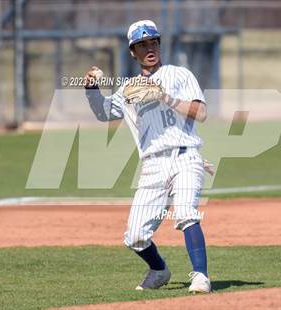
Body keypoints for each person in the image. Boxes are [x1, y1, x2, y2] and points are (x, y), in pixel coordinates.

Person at [84, 20, 211, 293]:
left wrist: (166, 97)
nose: (149, 48)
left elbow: (200, 113)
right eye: (141, 44)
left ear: (159, 44)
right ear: (132, 51)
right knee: (135, 236)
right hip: (152, 165)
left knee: (187, 213)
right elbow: (103, 113)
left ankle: (200, 275)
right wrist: (91, 89)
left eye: (153, 42)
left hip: (185, 157)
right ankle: (158, 269)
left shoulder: (180, 75)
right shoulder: (128, 88)